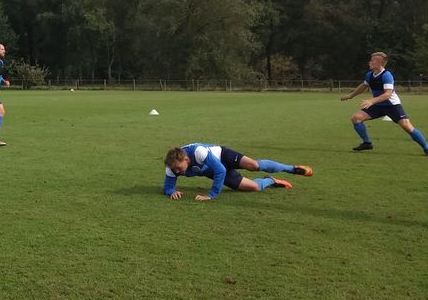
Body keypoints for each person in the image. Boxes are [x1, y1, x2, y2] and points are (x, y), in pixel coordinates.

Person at [340, 51, 428, 155]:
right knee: (356, 118)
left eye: (372, 61)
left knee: (407, 126)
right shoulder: (369, 75)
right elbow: (364, 86)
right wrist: (351, 95)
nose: (369, 62)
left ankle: (426, 148)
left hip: (391, 105)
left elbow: (388, 94)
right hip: (378, 105)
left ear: (379, 63)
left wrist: (371, 100)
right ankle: (367, 143)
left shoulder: (387, 75)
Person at [163, 143, 313, 201]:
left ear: (186, 160)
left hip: (222, 156)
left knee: (253, 165)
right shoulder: (172, 166)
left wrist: (211, 194)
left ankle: (292, 169)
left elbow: (220, 170)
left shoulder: (198, 152)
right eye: (174, 169)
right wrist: (171, 191)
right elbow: (168, 185)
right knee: (254, 188)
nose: (177, 171)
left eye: (178, 168)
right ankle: (271, 181)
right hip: (212, 171)